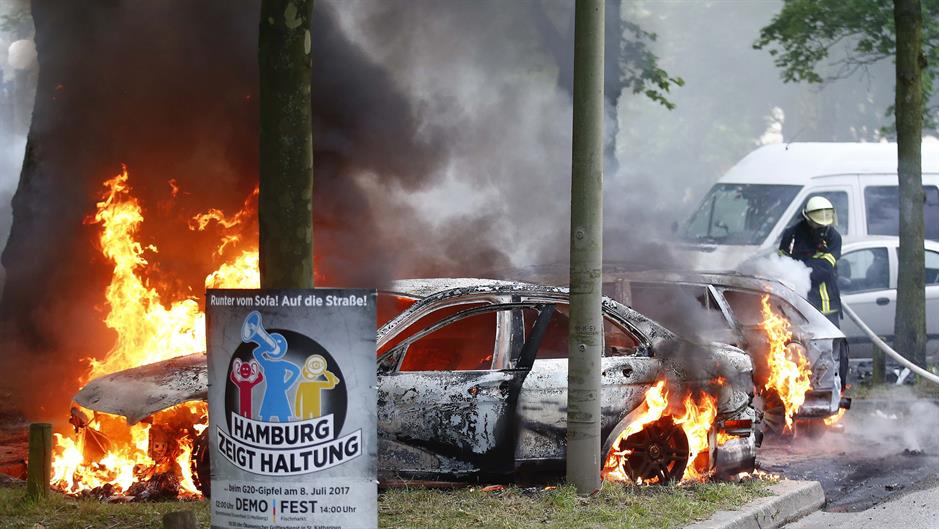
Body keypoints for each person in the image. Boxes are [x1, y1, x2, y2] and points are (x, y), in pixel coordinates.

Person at [779, 196, 842, 328]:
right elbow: (780, 265)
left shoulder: (833, 237)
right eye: (818, 224)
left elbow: (824, 269)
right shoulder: (792, 235)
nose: (822, 228)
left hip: (826, 307)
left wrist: (796, 270)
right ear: (808, 219)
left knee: (830, 340)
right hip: (797, 306)